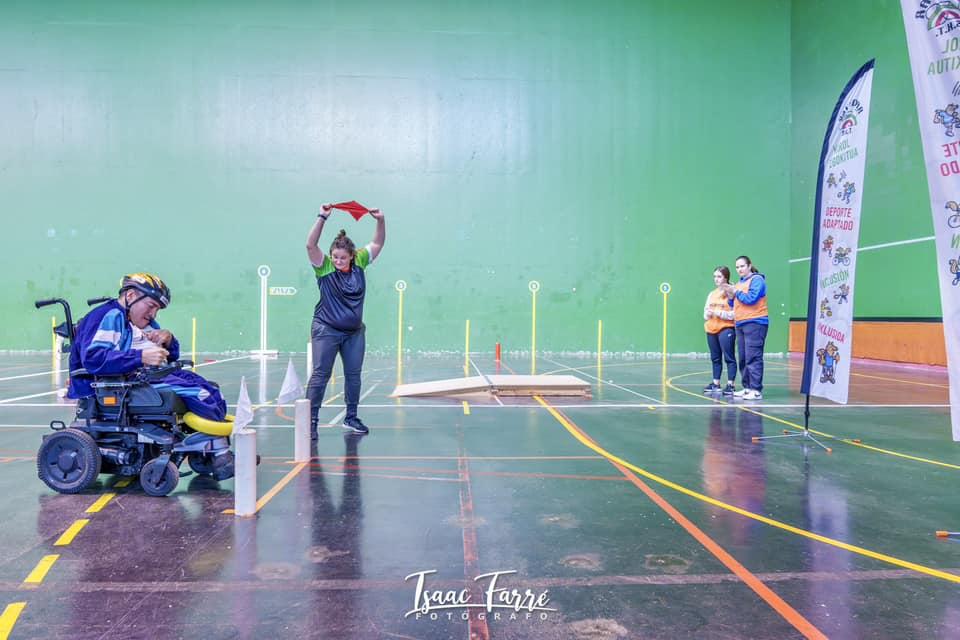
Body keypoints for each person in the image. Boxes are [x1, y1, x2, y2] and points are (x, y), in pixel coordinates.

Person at [67, 272, 227, 420]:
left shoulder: (144, 322)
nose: (154, 314)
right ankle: (210, 437)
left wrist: (169, 340)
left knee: (212, 390)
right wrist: (141, 357)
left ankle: (212, 434)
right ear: (130, 296)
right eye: (151, 306)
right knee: (200, 395)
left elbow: (170, 357)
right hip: (117, 385)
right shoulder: (109, 316)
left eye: (157, 309)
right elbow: (94, 359)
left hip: (148, 377)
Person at [306, 203, 386, 438]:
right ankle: (310, 421)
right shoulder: (324, 267)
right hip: (326, 328)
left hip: (354, 332)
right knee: (321, 374)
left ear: (352, 256)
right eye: (335, 257)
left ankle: (351, 418)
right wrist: (322, 217)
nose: (338, 261)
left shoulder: (360, 262)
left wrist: (380, 220)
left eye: (343, 257)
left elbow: (378, 243)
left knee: (353, 375)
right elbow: (310, 245)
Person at [720, 256, 768, 401]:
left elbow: (751, 299)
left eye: (742, 266)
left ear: (749, 266)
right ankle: (747, 388)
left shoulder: (757, 280)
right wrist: (730, 295)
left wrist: (735, 292)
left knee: (753, 357)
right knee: (743, 358)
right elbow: (734, 304)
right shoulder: (739, 283)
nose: (739, 269)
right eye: (737, 267)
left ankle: (756, 390)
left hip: (755, 322)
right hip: (740, 323)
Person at [702, 266, 737, 396]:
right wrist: (708, 314)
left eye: (719, 276)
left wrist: (718, 313)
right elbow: (705, 314)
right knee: (715, 358)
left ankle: (731, 385)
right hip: (711, 329)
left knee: (729, 358)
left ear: (726, 278)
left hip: (726, 328)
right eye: (715, 277)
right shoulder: (712, 294)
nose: (716, 279)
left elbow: (734, 314)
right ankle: (716, 383)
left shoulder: (732, 293)